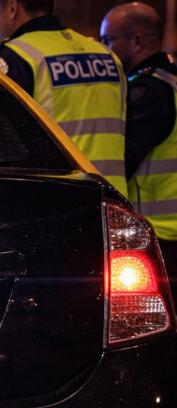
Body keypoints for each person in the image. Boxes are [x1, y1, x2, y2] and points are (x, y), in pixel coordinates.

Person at [0, 0, 129, 196]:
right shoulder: (107, 55)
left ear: (13, 7)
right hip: (114, 202)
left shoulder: (13, 59)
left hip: (58, 200)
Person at [100, 2, 177, 291]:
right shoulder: (170, 81)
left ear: (137, 41)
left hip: (161, 232)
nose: (104, 49)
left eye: (108, 40)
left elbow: (127, 157)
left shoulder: (147, 91)